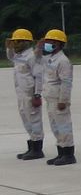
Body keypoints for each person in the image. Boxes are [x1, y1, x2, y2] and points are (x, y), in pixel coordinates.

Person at [36, 30, 75, 165]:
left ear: (59, 44)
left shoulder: (63, 61)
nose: (48, 44)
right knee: (55, 127)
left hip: (59, 99)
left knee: (64, 126)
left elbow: (66, 82)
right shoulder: (49, 58)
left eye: (52, 41)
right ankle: (61, 152)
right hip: (50, 98)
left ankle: (69, 154)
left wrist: (63, 100)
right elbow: (37, 59)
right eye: (48, 41)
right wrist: (39, 47)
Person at [7, 28, 44, 160]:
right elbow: (10, 57)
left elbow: (38, 76)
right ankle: (31, 146)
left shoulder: (32, 56)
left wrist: (37, 95)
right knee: (26, 120)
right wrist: (9, 48)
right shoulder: (19, 55)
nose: (15, 44)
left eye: (17, 42)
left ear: (25, 42)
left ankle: (37, 149)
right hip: (21, 93)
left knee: (34, 120)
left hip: (30, 94)